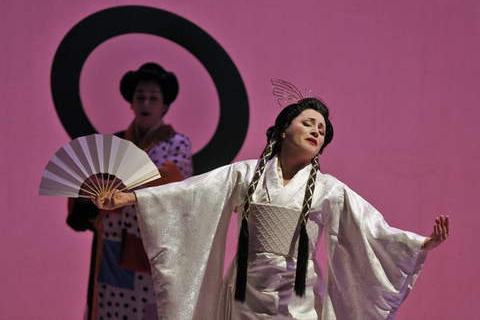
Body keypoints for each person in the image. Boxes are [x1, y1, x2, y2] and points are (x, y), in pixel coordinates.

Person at [91, 84, 450, 319]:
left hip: (298, 297)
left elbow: (370, 229)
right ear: (282, 130)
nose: (315, 130)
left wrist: (420, 243)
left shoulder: (328, 189)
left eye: (321, 130)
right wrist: (128, 196)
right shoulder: (245, 175)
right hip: (244, 293)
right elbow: (188, 194)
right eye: (308, 122)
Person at [67, 63, 193, 320]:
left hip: (151, 242)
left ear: (165, 105)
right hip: (110, 244)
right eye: (140, 97)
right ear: (131, 103)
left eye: (153, 97)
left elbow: (171, 182)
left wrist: (117, 189)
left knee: (150, 310)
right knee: (106, 309)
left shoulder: (178, 144)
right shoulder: (113, 144)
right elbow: (87, 186)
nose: (146, 102)